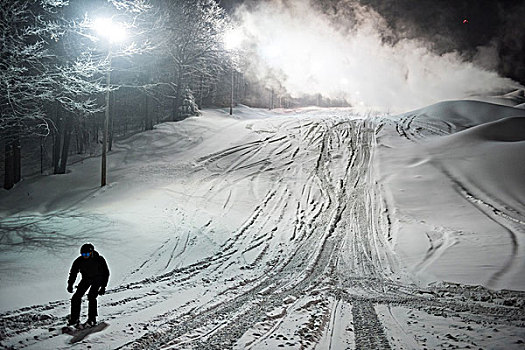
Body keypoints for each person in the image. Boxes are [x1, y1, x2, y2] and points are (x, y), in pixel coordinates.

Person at [67, 243, 110, 327]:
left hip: (97, 279)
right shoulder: (79, 261)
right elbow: (73, 273)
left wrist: (103, 286)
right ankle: (74, 319)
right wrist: (70, 284)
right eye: (83, 254)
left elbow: (106, 273)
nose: (85, 256)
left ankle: (92, 319)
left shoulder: (99, 259)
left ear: (91, 252)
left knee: (91, 296)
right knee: (76, 297)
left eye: (87, 254)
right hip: (86, 279)